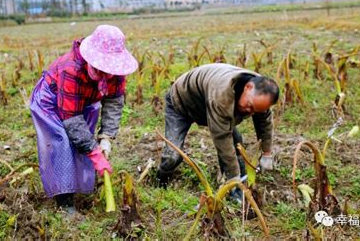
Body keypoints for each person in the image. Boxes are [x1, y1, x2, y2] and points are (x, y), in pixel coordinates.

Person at [30, 25, 138, 214]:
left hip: (85, 101)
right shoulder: (71, 69)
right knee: (62, 143)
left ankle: (80, 188)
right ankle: (64, 201)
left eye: (108, 70)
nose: (105, 74)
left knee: (83, 144)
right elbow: (71, 118)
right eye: (99, 69)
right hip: (52, 102)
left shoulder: (117, 71)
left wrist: (106, 137)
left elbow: (113, 102)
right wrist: (95, 153)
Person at [156, 63, 279, 201]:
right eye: (250, 106)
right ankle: (161, 181)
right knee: (172, 156)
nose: (250, 112)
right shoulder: (221, 95)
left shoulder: (261, 93)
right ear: (248, 87)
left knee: (237, 145)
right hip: (182, 103)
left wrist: (267, 153)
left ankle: (238, 189)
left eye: (255, 110)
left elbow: (264, 122)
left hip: (206, 103)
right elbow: (222, 138)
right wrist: (233, 177)